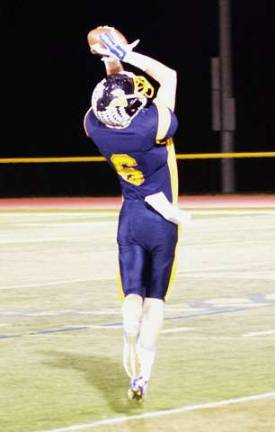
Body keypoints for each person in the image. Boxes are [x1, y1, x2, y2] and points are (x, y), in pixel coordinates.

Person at [84, 26, 185, 401]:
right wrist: (124, 54)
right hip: (161, 220)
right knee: (156, 299)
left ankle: (128, 340)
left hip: (129, 219)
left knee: (132, 295)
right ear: (133, 106)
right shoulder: (151, 125)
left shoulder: (96, 129)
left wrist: (110, 60)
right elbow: (169, 77)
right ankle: (143, 373)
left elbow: (111, 98)